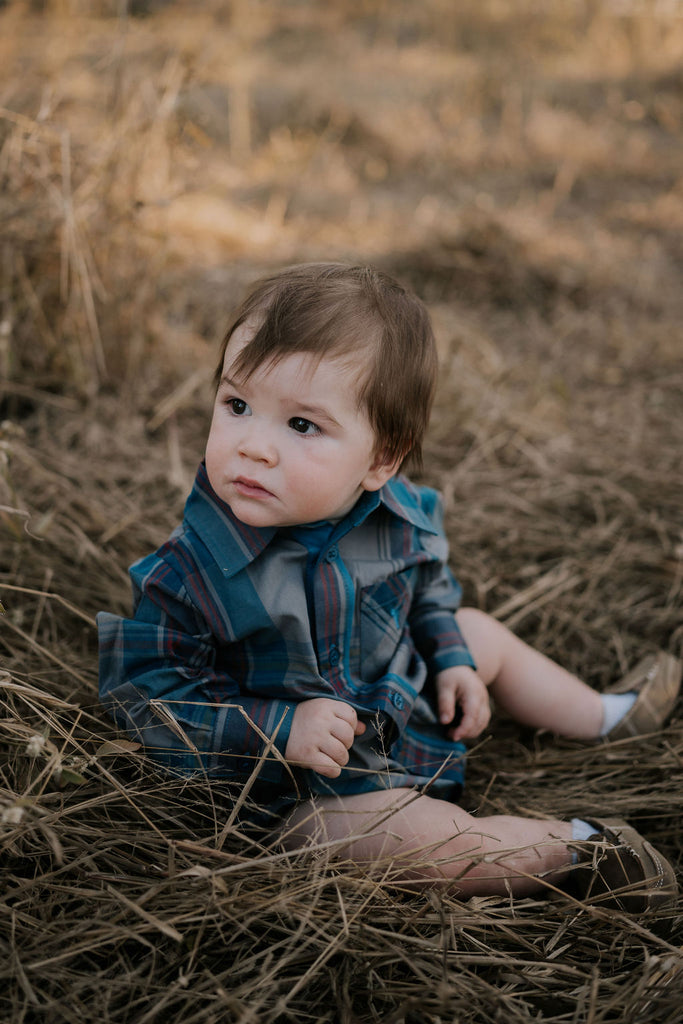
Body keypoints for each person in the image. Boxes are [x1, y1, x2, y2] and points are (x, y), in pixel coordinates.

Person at [98, 262, 681, 912]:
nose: (252, 447)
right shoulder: (186, 573)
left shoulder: (394, 513)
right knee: (405, 840)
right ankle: (579, 849)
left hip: (400, 703)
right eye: (237, 405)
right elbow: (146, 698)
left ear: (379, 460)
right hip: (302, 788)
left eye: (301, 425)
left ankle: (604, 717)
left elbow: (429, 587)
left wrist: (451, 656)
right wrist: (276, 729)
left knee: (479, 631)